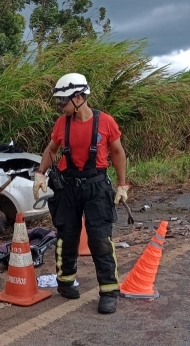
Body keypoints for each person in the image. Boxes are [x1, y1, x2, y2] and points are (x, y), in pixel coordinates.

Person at [33, 73, 129, 314]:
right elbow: (51, 149)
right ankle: (65, 282)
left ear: (78, 98)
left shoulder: (105, 122)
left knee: (100, 237)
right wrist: (40, 173)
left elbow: (117, 152)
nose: (60, 106)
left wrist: (122, 184)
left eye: (62, 101)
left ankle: (108, 291)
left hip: (97, 186)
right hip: (68, 186)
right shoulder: (61, 124)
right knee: (67, 234)